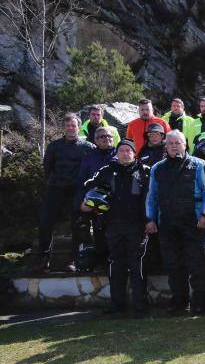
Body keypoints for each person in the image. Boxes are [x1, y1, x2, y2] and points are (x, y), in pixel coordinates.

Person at [145, 130, 205, 315]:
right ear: (165, 146)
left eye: (178, 142)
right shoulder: (157, 168)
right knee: (173, 265)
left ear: (185, 145)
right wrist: (150, 219)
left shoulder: (200, 165)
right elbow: (152, 196)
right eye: (171, 143)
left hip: (193, 223)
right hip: (167, 223)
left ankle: (201, 302)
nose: (175, 146)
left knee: (197, 264)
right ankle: (179, 302)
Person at [80, 139, 150, 316]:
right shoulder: (106, 171)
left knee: (137, 266)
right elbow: (88, 188)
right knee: (116, 265)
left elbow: (153, 198)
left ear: (134, 153)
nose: (125, 153)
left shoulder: (145, 172)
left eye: (128, 150)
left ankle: (140, 305)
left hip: (137, 226)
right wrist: (86, 204)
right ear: (117, 153)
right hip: (112, 225)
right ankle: (117, 304)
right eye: (122, 150)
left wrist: (150, 220)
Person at [36, 113, 95, 271]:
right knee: (45, 221)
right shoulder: (54, 146)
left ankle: (73, 260)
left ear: (78, 127)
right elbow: (47, 167)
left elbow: (94, 168)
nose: (70, 128)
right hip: (56, 187)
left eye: (73, 126)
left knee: (78, 224)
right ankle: (43, 258)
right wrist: (53, 182)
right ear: (64, 127)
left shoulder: (88, 147)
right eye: (68, 125)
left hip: (77, 189)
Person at [73, 125, 118, 269]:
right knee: (99, 236)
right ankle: (102, 264)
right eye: (102, 137)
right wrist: (81, 203)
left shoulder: (121, 154)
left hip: (119, 204)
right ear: (96, 140)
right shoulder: (89, 158)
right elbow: (81, 182)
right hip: (95, 204)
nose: (106, 139)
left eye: (109, 136)